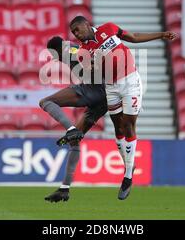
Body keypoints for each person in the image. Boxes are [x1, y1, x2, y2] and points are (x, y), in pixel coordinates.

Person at [68, 16, 178, 200]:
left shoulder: (109, 28)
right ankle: (129, 164)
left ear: (87, 24)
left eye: (77, 29)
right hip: (111, 87)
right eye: (73, 32)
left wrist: (161, 35)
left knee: (128, 125)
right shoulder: (82, 52)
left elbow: (133, 37)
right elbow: (92, 73)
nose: (76, 34)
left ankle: (128, 174)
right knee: (118, 128)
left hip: (130, 82)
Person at [40, 36, 108, 202]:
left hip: (93, 89)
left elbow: (90, 61)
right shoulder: (71, 48)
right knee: (74, 142)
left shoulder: (69, 50)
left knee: (45, 102)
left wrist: (92, 68)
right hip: (103, 99)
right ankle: (64, 189)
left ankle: (70, 129)